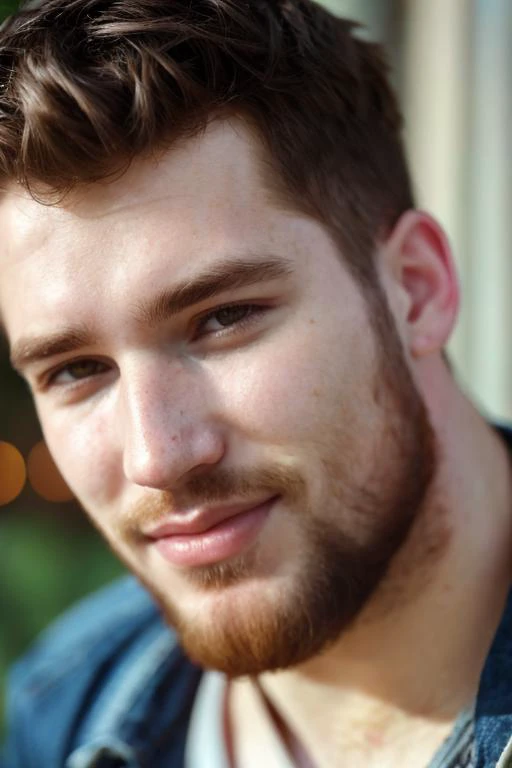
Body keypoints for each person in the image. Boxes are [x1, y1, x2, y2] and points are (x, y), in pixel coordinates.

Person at [1, 0, 512, 766]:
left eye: (223, 318)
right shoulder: (62, 707)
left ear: (417, 289)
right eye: (76, 370)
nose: (159, 456)